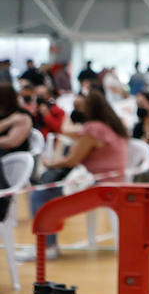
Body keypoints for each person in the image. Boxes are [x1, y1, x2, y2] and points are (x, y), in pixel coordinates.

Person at [20, 90, 129, 261]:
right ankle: (49, 244)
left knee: (39, 195)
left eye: (79, 106)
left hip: (97, 187)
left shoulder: (93, 129)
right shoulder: (112, 127)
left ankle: (48, 246)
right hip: (110, 183)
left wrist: (49, 164)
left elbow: (72, 160)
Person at [0, 84, 36, 221]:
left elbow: (12, 142)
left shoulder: (22, 116)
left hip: (14, 157)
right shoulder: (8, 116)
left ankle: (3, 201)